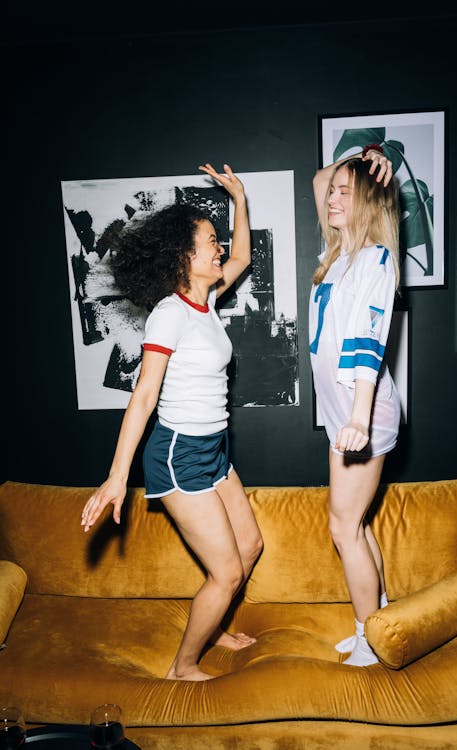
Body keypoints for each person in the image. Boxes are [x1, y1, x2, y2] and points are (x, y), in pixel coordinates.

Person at [81, 163, 263, 681]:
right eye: (209, 240)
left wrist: (239, 200)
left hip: (214, 449)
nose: (219, 247)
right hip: (179, 455)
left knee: (249, 546)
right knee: (226, 572)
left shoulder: (205, 303)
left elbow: (244, 255)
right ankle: (183, 666)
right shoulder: (170, 313)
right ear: (183, 254)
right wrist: (118, 477)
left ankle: (215, 627)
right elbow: (143, 397)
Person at [310, 146, 400, 666]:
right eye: (335, 193)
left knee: (342, 527)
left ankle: (372, 637)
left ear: (368, 203)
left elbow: (368, 342)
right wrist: (358, 157)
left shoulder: (375, 260)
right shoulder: (341, 255)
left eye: (348, 192)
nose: (334, 197)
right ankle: (380, 618)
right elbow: (322, 176)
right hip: (343, 414)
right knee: (357, 524)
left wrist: (358, 419)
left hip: (361, 413)